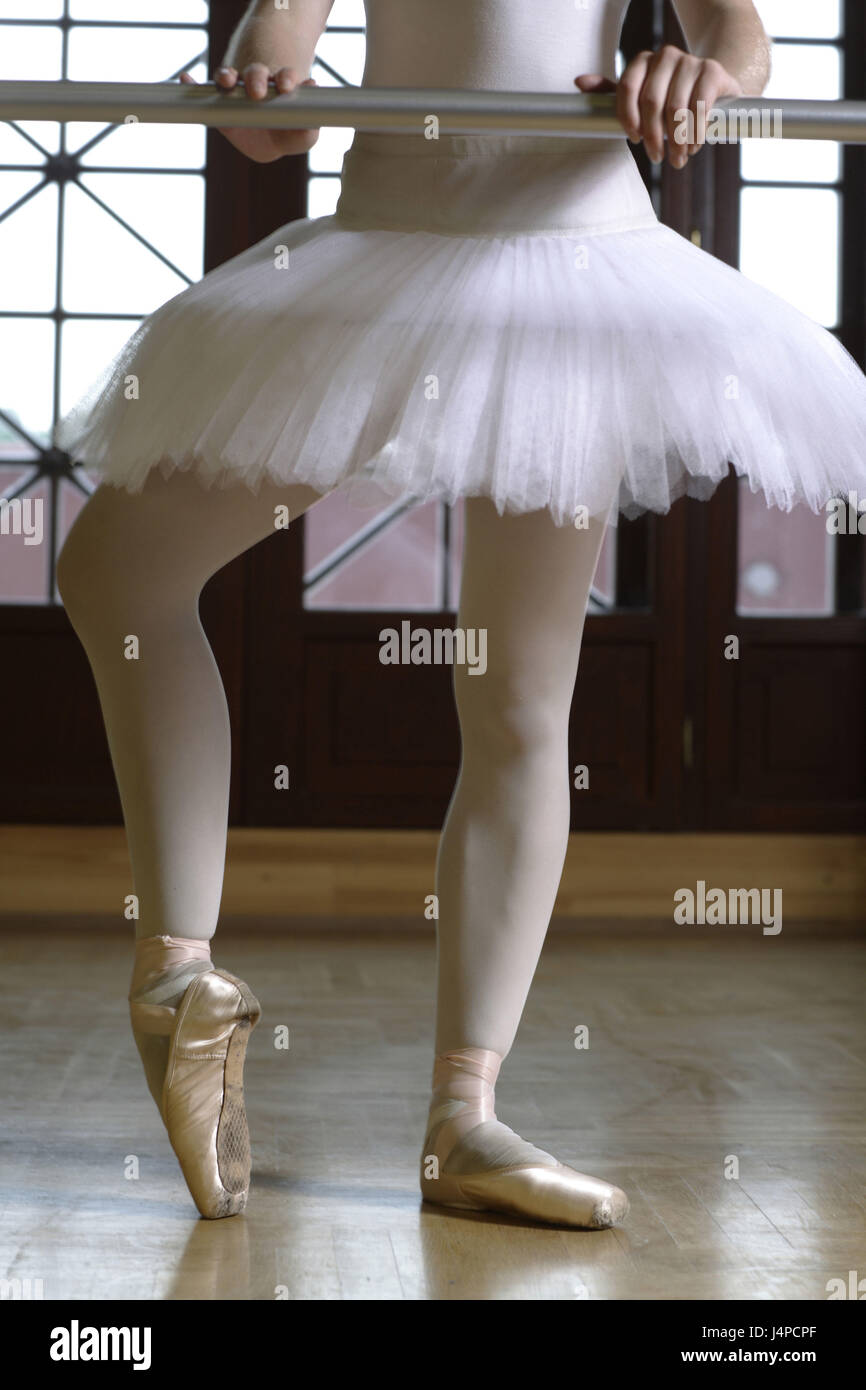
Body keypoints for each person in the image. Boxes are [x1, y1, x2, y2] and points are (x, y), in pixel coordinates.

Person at [53, 0, 866, 1226]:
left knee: (519, 701)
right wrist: (263, 99)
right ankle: (182, 981)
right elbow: (273, 67)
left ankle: (458, 1112)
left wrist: (701, 72)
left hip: (570, 277)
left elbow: (742, 44)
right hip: (380, 255)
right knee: (117, 571)